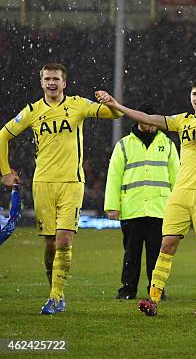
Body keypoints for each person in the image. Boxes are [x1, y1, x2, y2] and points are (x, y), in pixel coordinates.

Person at [95, 77, 196, 317]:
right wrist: (118, 106)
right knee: (166, 245)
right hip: (180, 194)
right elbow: (148, 119)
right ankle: (153, 299)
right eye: (194, 94)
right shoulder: (182, 121)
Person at [0, 63, 122, 314]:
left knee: (64, 240)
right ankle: (56, 291)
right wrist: (6, 172)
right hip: (43, 184)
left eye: (56, 78)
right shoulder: (32, 111)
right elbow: (3, 135)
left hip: (71, 184)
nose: (51, 83)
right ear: (42, 82)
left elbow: (115, 115)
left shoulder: (78, 104)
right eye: (47, 79)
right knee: (49, 245)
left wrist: (111, 101)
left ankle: (56, 297)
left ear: (64, 83)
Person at [104, 102, 179, 300]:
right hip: (132, 209)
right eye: (148, 118)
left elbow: (177, 178)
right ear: (138, 118)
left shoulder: (168, 144)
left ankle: (156, 290)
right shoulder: (123, 145)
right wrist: (112, 206)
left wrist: (178, 209)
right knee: (131, 254)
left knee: (157, 254)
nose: (152, 123)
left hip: (160, 209)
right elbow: (114, 176)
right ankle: (128, 289)